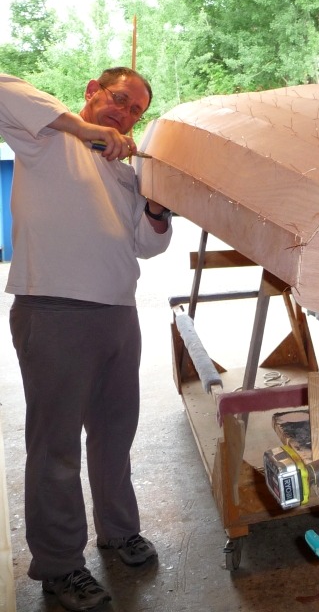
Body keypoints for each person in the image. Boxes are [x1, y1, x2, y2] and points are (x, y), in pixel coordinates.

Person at [0, 68, 173, 611]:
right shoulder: (49, 133)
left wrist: (157, 207)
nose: (124, 114)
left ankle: (118, 531)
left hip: (118, 313)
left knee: (114, 436)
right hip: (54, 309)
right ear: (93, 91)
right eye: (119, 100)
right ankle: (59, 566)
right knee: (55, 449)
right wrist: (84, 129)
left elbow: (147, 247)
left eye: (134, 111)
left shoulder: (124, 171)